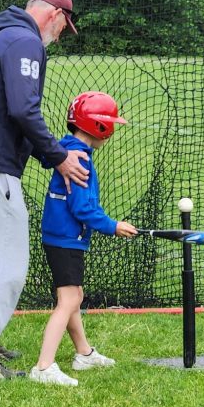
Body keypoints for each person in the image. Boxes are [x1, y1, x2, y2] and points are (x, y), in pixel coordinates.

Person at [0, 0, 89, 380]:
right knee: (7, 263)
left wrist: (46, 155)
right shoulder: (26, 41)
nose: (61, 34)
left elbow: (7, 110)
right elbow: (23, 110)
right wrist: (59, 157)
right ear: (54, 15)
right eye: (65, 25)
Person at [29, 92, 138, 387]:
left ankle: (84, 353)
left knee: (74, 296)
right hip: (65, 238)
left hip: (61, 237)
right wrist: (113, 226)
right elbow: (82, 208)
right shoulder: (80, 161)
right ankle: (43, 366)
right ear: (99, 127)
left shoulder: (68, 150)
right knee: (68, 300)